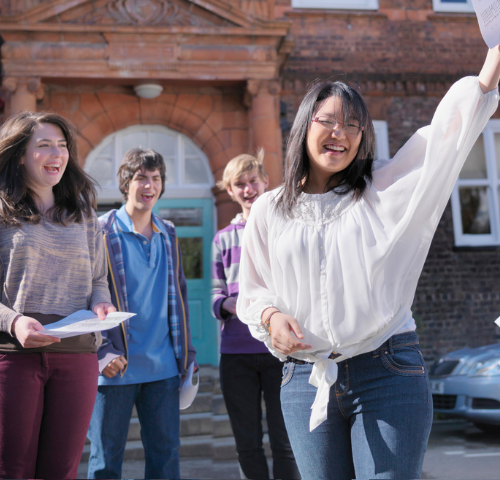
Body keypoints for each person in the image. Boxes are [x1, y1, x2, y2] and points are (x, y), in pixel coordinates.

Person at [236, 14, 500, 480]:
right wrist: (270, 319)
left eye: (353, 125)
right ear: (303, 126)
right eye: (328, 121)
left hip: (387, 369)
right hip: (305, 380)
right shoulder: (270, 209)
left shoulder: (381, 189)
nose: (341, 133)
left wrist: (496, 57)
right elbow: (253, 290)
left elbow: (445, 140)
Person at [0, 112, 116, 479]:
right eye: (45, 145)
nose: (57, 153)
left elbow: (99, 278)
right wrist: (14, 322)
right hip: (14, 356)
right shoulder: (1, 211)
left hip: (78, 356)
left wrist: (101, 303)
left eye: (63, 146)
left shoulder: (82, 212)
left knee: (62, 471)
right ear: (20, 154)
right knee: (12, 469)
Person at [87, 148, 197, 479]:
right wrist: (102, 351)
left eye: (155, 178)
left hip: (162, 369)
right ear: (126, 183)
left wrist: (187, 355)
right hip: (114, 369)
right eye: (140, 178)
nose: (148, 185)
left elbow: (179, 296)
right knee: (105, 463)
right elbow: (84, 295)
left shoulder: (169, 232)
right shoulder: (100, 230)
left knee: (165, 461)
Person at [212, 150, 300, 479]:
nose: (248, 189)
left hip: (280, 351)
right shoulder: (222, 239)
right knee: (247, 444)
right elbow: (214, 292)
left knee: (285, 441)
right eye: (240, 184)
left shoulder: (284, 231)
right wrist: (227, 304)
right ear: (230, 191)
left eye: (253, 181)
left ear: (265, 182)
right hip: (236, 354)